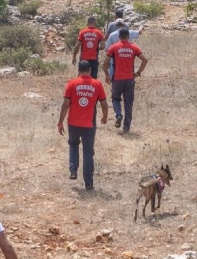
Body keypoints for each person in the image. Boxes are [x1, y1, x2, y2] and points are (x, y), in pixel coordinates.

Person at [58, 60, 109, 190]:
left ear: (78, 70)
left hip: (73, 123)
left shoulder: (71, 84)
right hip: (88, 124)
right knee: (88, 153)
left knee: (73, 144)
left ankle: (73, 169)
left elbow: (65, 105)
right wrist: (105, 116)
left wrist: (60, 122)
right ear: (90, 70)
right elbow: (103, 103)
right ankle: (89, 183)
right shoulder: (97, 84)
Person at [103, 28, 148, 134]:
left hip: (117, 79)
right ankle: (126, 127)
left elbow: (105, 63)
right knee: (128, 103)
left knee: (115, 99)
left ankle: (118, 114)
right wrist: (138, 73)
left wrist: (107, 75)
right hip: (129, 80)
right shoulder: (133, 47)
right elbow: (145, 60)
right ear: (128, 36)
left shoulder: (114, 47)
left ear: (119, 37)